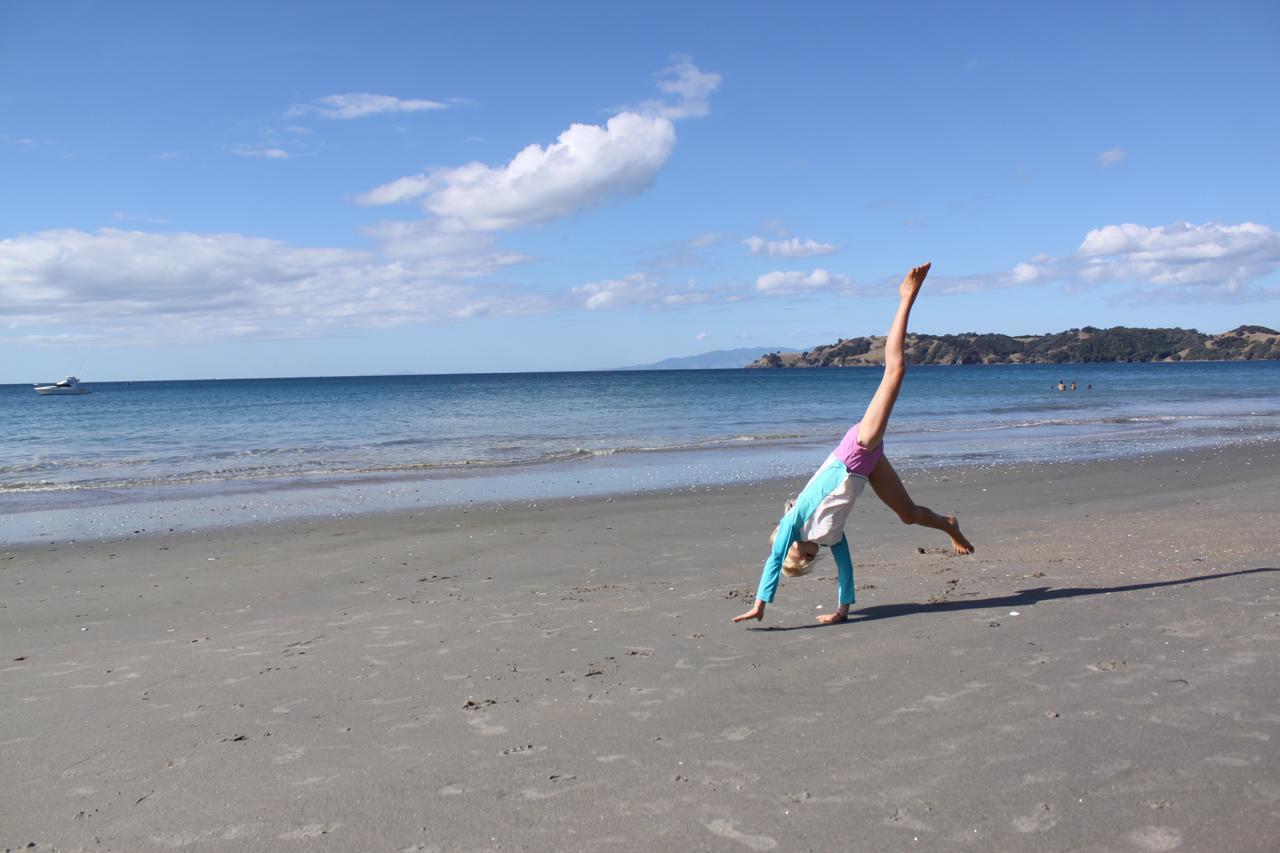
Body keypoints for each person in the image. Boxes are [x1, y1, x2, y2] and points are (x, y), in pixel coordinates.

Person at [733, 263, 974, 626]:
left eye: (801, 557)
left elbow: (773, 559)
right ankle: (950, 525)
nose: (810, 556)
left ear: (791, 549)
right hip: (868, 466)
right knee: (908, 515)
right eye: (810, 562)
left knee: (896, 371)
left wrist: (761, 603)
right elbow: (846, 569)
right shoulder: (832, 538)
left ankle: (906, 298)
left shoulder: (792, 523)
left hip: (856, 451)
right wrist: (842, 611)